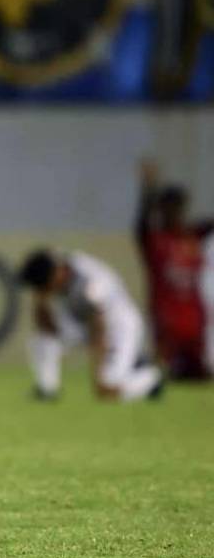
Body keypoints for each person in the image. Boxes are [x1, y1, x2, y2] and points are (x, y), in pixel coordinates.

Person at [18, 248, 164, 402]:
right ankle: (47, 390)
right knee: (42, 340)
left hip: (118, 329)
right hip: (83, 325)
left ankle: (151, 379)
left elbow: (98, 330)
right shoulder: (62, 272)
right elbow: (46, 328)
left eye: (43, 285)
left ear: (56, 274)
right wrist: (40, 301)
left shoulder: (90, 282)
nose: (45, 290)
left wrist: (97, 375)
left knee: (107, 389)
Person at [135, 160, 212, 380]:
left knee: (199, 376)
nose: (174, 213)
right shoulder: (156, 241)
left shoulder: (194, 237)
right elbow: (140, 225)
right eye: (168, 207)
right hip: (166, 321)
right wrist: (147, 190)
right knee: (165, 375)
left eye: (178, 207)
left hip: (197, 321)